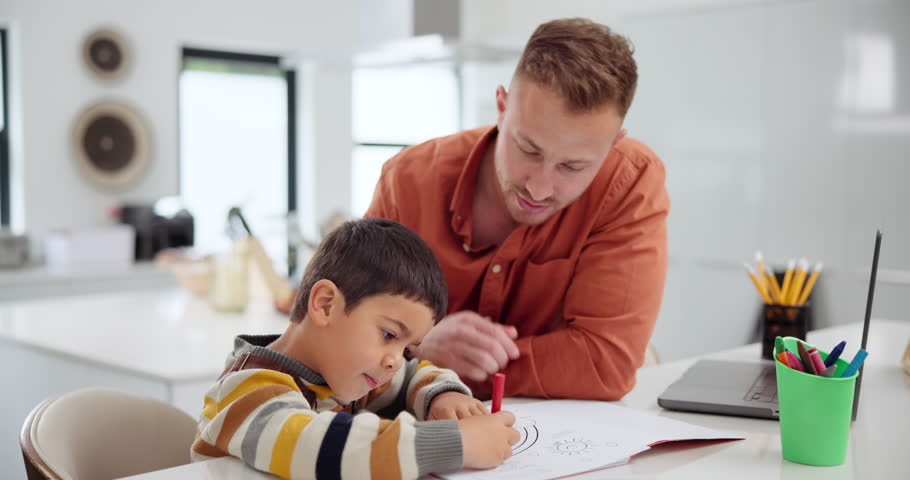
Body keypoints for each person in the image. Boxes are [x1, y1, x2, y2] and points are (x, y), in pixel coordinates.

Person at [365, 18, 670, 401]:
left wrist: (421, 362)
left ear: (612, 146)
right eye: (528, 149)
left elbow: (603, 364)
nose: (538, 188)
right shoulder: (407, 180)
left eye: (572, 167)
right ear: (501, 106)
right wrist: (421, 347)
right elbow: (347, 333)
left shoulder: (630, 183)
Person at [192, 218, 519, 479]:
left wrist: (444, 396)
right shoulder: (247, 393)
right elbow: (321, 447)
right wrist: (457, 444)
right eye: (390, 335)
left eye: (409, 345)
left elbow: (412, 374)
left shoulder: (343, 376)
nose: (395, 360)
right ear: (325, 305)